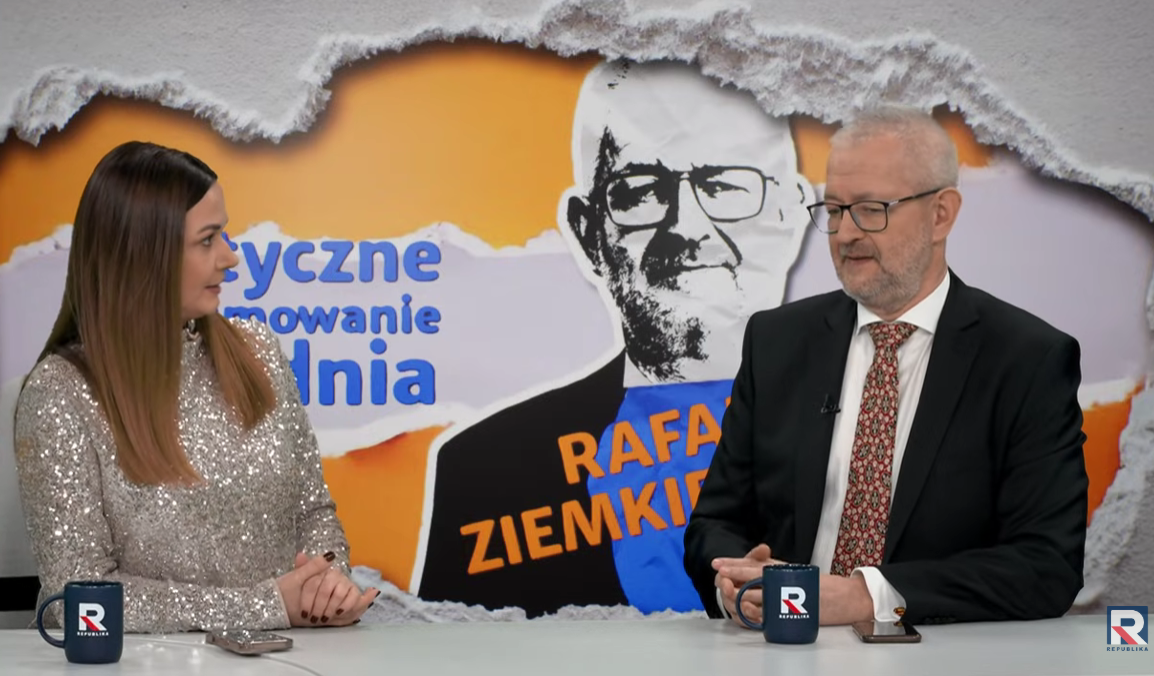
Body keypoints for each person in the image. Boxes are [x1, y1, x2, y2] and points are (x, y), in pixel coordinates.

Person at [413, 59, 814, 616]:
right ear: (589, 233)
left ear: (791, 213)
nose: (687, 227)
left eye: (725, 185)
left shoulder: (870, 437)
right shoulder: (485, 471)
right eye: (641, 192)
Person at [683, 104, 1089, 627]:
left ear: (941, 214)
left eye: (871, 209)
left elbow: (1044, 566)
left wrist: (865, 597)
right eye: (834, 210)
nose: (845, 233)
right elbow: (714, 524)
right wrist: (736, 583)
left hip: (940, 655)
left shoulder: (1027, 360)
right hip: (782, 646)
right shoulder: (776, 341)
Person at [14, 141, 380, 633]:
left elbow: (313, 513)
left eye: (223, 234)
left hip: (295, 658)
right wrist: (265, 607)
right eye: (208, 240)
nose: (231, 257)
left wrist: (326, 585)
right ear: (144, 255)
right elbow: (76, 599)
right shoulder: (59, 395)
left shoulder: (259, 351)